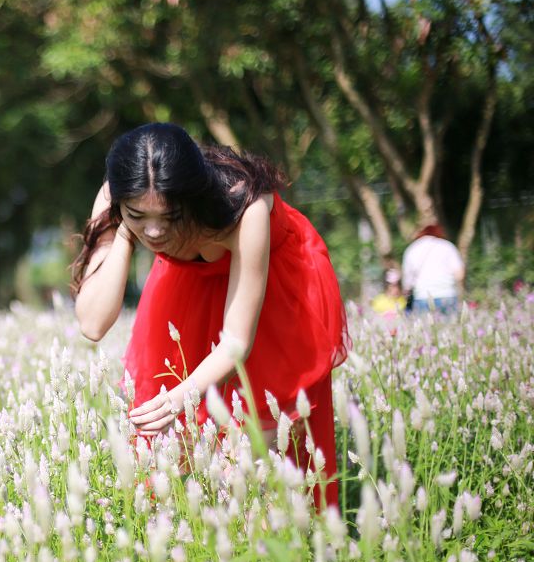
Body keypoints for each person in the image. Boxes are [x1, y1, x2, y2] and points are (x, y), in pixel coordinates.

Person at [72, 123, 349, 510]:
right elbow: (93, 322)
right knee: (178, 458)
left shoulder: (243, 205)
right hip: (187, 286)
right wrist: (121, 231)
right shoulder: (119, 196)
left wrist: (182, 396)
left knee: (253, 466)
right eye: (138, 214)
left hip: (272, 290)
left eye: (170, 216)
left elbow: (236, 341)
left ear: (192, 198)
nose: (153, 231)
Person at [402, 225, 464, 315]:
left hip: (422, 296)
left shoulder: (412, 249)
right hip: (447, 294)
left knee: (426, 328)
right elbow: (460, 275)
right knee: (449, 327)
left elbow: (407, 281)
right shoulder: (447, 246)